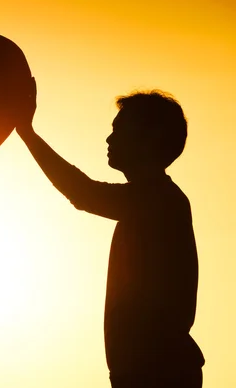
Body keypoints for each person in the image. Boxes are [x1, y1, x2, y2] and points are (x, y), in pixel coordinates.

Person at [16, 79, 205, 388]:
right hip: (144, 371)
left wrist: (27, 132)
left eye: (120, 130)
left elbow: (83, 193)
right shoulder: (152, 201)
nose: (109, 138)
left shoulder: (160, 201)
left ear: (149, 139)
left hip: (159, 373)